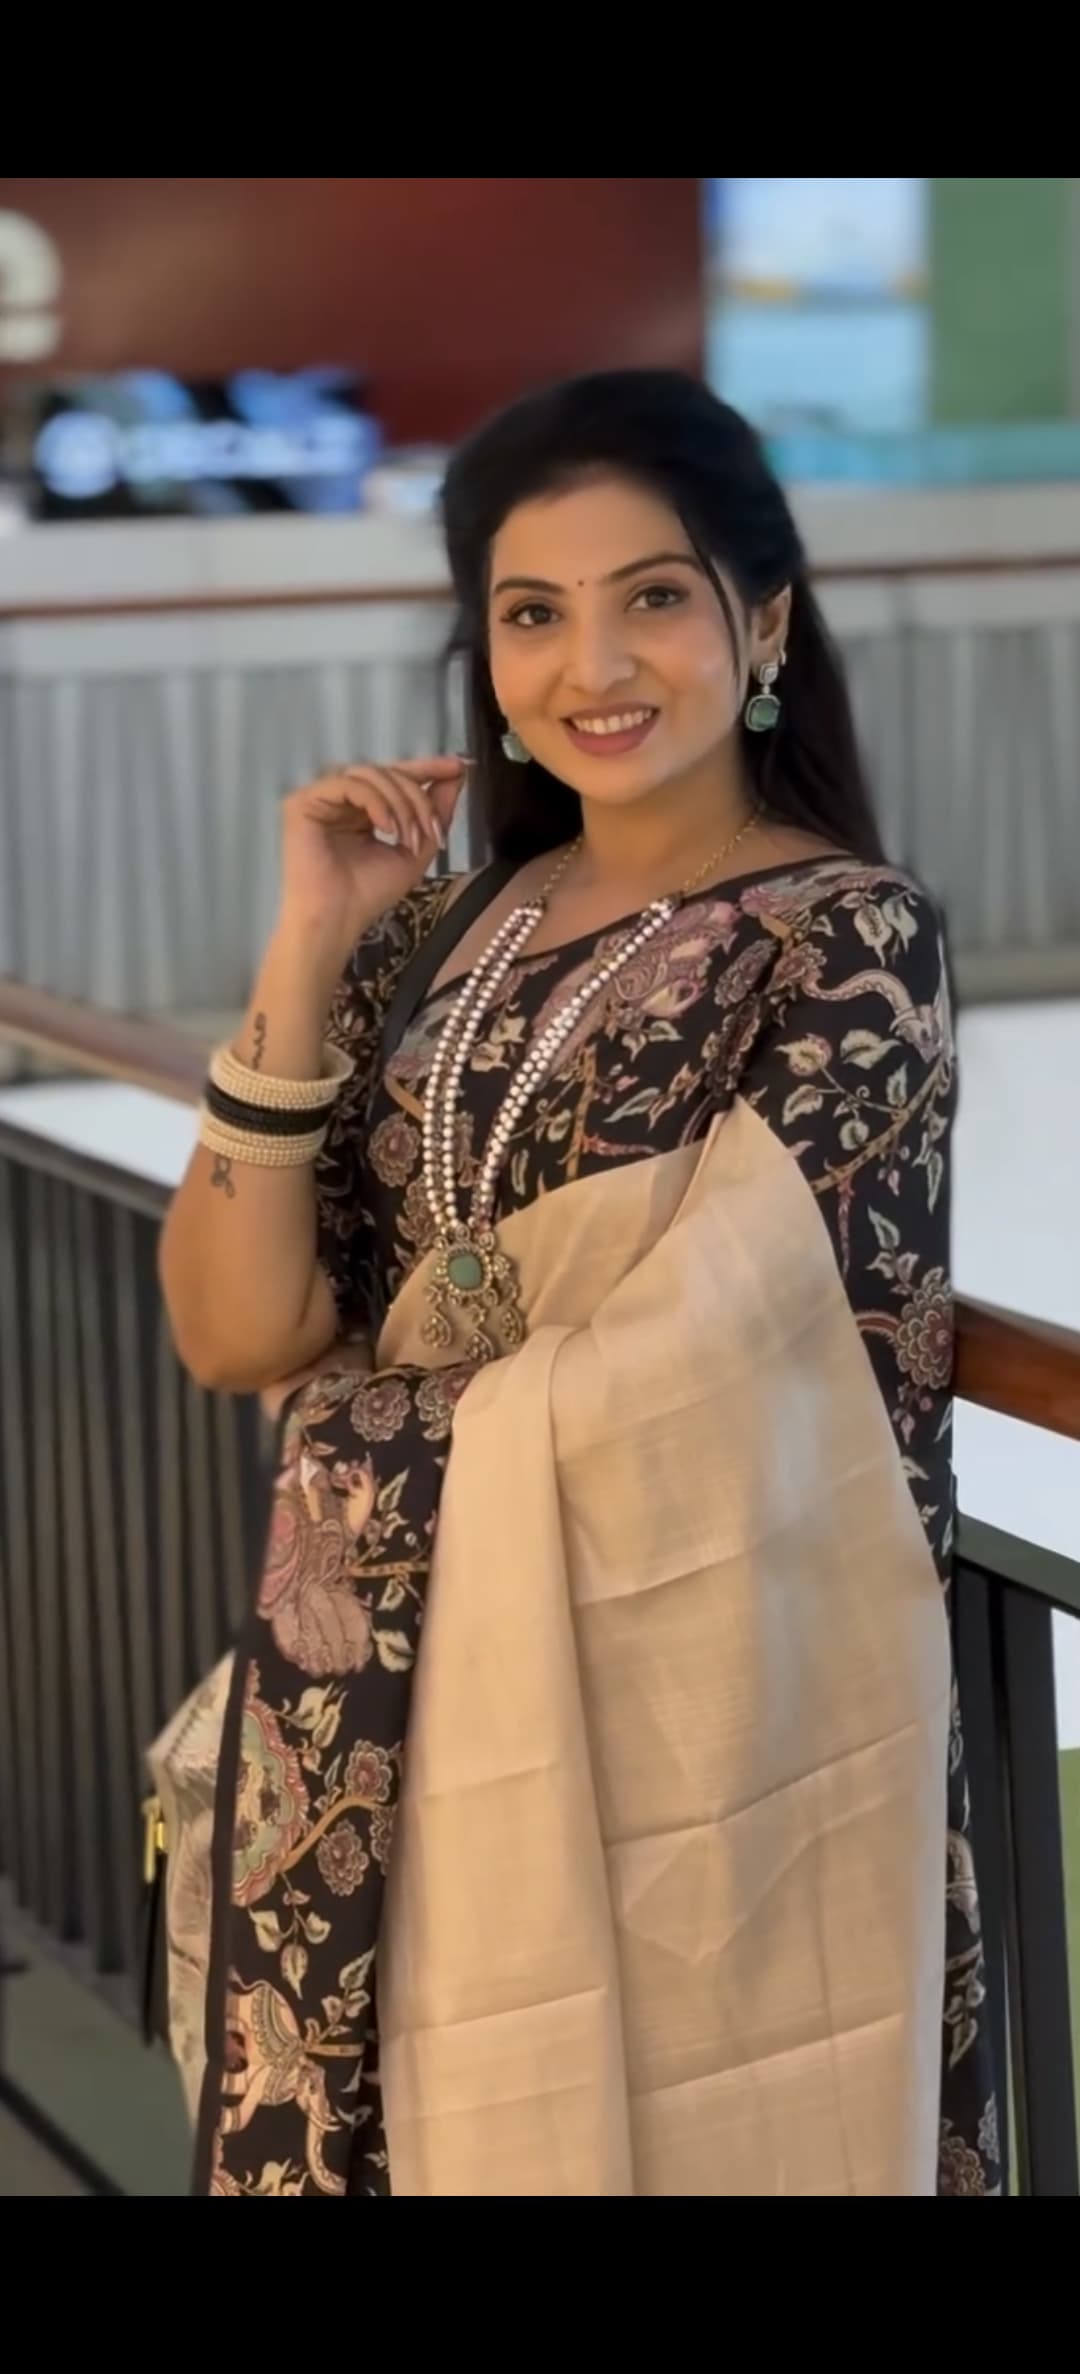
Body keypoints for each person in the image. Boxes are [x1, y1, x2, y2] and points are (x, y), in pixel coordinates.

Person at [160, 369, 999, 2197]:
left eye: (654, 597)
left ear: (762, 623)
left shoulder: (844, 939)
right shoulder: (438, 929)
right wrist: (309, 942)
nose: (590, 667)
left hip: (691, 1746)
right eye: (532, 614)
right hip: (379, 1732)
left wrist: (363, 1444)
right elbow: (235, 1326)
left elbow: (735, 1365)